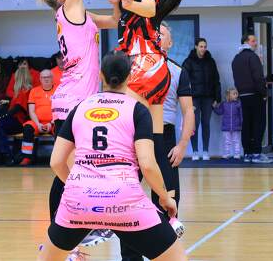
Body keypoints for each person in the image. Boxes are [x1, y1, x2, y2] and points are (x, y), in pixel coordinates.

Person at [94, 0, 185, 259]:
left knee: (137, 139)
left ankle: (152, 211)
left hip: (144, 61)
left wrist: (130, 3)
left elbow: (149, 8)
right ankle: (162, 212)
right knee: (149, 140)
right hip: (143, 61)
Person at [37, 52, 187, 261]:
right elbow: (147, 164)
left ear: (100, 75)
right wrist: (165, 197)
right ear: (130, 77)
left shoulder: (79, 108)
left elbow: (56, 161)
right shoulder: (138, 110)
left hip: (79, 200)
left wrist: (76, 185)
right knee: (177, 257)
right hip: (124, 200)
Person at [31, 0, 122, 251]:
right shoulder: (69, 8)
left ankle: (61, 235)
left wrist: (115, 2)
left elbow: (114, 21)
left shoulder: (77, 13)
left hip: (73, 99)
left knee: (70, 167)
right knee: (75, 168)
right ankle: (77, 225)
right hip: (73, 100)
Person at [159, 22, 195, 211]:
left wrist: (182, 145)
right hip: (137, 134)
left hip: (165, 135)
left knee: (169, 192)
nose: (157, 36)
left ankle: (169, 224)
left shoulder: (178, 72)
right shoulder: (134, 68)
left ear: (170, 43)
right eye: (154, 33)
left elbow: (188, 111)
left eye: (161, 34)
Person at [231, 34, 273, 164]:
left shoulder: (236, 58)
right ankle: (256, 154)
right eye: (253, 41)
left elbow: (236, 78)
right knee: (258, 124)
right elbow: (258, 78)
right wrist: (264, 93)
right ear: (246, 42)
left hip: (243, 96)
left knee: (247, 124)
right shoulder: (253, 57)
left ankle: (247, 153)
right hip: (255, 95)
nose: (256, 43)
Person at [182, 37, 221, 161]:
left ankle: (205, 151)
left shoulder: (211, 61)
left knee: (206, 123)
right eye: (201, 46)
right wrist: (185, 99)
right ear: (196, 47)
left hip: (208, 98)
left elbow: (216, 80)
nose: (203, 49)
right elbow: (183, 80)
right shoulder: (188, 62)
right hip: (193, 98)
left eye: (205, 46)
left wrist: (217, 97)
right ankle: (194, 151)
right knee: (194, 124)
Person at [18, 69, 57, 166]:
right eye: (43, 77)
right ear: (40, 79)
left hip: (54, 122)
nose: (46, 79)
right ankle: (26, 157)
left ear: (52, 78)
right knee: (27, 128)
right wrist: (38, 124)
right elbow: (31, 111)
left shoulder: (59, 90)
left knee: (61, 129)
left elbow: (60, 110)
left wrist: (51, 123)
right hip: (37, 122)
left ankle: (58, 158)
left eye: (48, 77)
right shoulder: (34, 91)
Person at [213, 88, 242, 159]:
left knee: (236, 141)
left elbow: (241, 115)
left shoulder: (238, 104)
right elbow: (220, 112)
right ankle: (226, 154)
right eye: (234, 94)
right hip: (226, 127)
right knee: (226, 141)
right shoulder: (224, 104)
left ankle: (237, 154)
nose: (236, 95)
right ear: (229, 95)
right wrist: (214, 108)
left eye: (236, 94)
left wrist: (241, 123)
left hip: (236, 126)